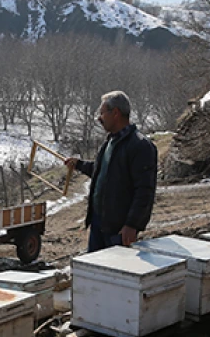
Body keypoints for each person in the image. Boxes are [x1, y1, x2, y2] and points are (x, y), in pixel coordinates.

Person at [65, 91, 157, 252]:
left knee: (115, 267)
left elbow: (145, 190)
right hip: (99, 224)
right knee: (94, 266)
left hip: (119, 230)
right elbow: (102, 172)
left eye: (102, 113)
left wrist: (132, 225)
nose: (99, 118)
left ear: (115, 113)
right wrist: (79, 164)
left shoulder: (140, 146)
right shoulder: (110, 142)